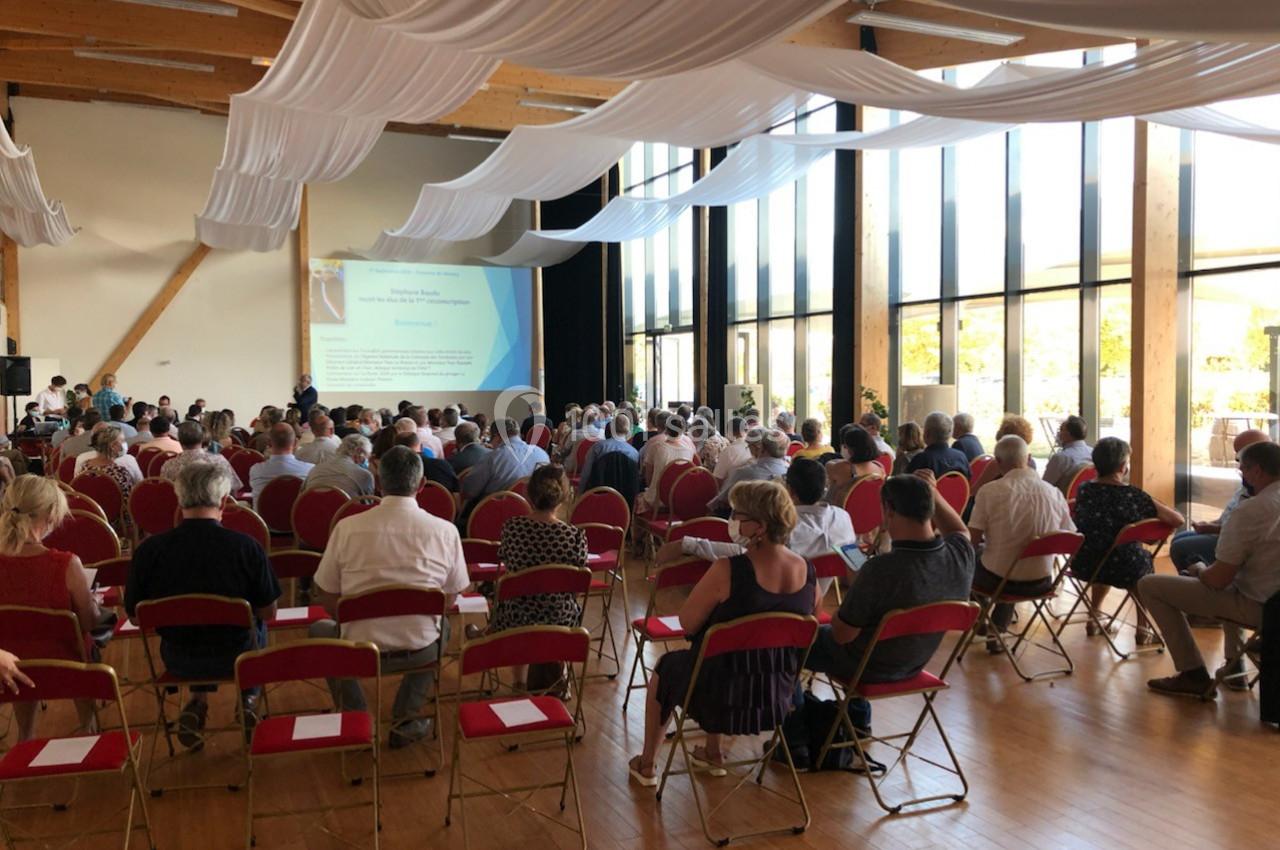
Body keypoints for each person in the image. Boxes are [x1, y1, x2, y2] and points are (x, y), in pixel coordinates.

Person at [628, 480, 818, 784]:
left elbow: (688, 623)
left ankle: (648, 763)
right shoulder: (808, 571)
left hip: (720, 693)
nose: (733, 520)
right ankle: (713, 751)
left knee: (669, 667)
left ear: (759, 525)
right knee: (722, 654)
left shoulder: (729, 569)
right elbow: (807, 622)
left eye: (738, 514)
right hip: (776, 692)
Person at [800, 471, 975, 746]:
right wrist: (933, 492)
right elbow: (960, 531)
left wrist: (824, 609)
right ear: (930, 507)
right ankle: (855, 719)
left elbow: (842, 634)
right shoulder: (961, 555)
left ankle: (796, 727)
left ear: (889, 510)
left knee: (787, 640)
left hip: (866, 665)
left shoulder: (881, 570)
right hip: (914, 661)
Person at [310, 446, 468, 747]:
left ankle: (355, 715)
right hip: (420, 648)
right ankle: (405, 717)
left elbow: (327, 594)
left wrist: (354, 618)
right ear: (421, 486)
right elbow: (448, 600)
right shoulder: (446, 531)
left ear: (378, 483)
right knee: (442, 626)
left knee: (320, 631)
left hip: (358, 650)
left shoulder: (347, 528)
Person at [126, 463, 279, 747]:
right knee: (253, 623)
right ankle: (248, 697)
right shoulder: (246, 547)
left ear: (180, 500)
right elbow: (268, 611)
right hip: (239, 657)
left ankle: (197, 701)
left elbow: (136, 617)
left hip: (179, 659)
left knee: (195, 627)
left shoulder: (149, 551)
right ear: (223, 501)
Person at [1141, 441, 1280, 698]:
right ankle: (1233, 663)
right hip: (1270, 596)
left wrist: (1199, 569)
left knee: (1150, 585)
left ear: (1257, 471)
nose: (1242, 476)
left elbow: (1216, 581)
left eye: (1244, 469)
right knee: (1236, 581)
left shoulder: (1251, 510)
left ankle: (1192, 673)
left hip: (1263, 608)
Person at [0, 476, 101, 739]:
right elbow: (89, 623)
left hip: (13, 667)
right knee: (85, 637)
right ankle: (88, 726)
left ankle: (25, 735)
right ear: (52, 514)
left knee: (21, 640)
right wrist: (93, 605)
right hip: (67, 665)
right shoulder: (66, 564)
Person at [661, 458, 855, 593]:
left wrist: (686, 544)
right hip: (812, 610)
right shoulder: (844, 518)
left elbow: (743, 555)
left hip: (776, 601)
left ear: (790, 491)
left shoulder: (786, 527)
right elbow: (857, 563)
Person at [480, 465, 588, 687]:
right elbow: (576, 583)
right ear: (564, 496)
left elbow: (508, 564)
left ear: (528, 494)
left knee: (513, 594)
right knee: (565, 601)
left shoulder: (513, 528)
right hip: (561, 615)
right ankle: (560, 674)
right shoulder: (574, 536)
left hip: (517, 615)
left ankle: (519, 681)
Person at [1070, 437, 1183, 644]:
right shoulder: (1132, 495)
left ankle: (1094, 618)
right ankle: (1143, 628)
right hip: (1124, 566)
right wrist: (1150, 501)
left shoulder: (1084, 489)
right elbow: (1177, 519)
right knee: (1140, 561)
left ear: (1096, 465)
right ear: (1123, 467)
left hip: (1084, 562)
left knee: (1104, 550)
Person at [968, 436, 1075, 650]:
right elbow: (1070, 536)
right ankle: (997, 631)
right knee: (1017, 554)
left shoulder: (990, 492)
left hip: (999, 581)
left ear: (997, 462)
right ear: (1029, 458)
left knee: (970, 559)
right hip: (1043, 580)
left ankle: (981, 616)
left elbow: (971, 542)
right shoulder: (1054, 493)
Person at [1169, 429, 1270, 575]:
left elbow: (1245, 530)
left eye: (1240, 457)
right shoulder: (1251, 480)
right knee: (1179, 539)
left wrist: (1212, 528)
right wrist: (1214, 524)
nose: (1239, 465)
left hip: (1235, 542)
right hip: (1226, 531)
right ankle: (1193, 579)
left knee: (1181, 547)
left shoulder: (1261, 488)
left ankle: (1199, 582)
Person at [461, 418, 550, 504]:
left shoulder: (492, 458)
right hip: (532, 512)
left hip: (495, 513)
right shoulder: (542, 454)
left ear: (497, 436)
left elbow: (469, 492)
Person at [708, 428, 790, 514]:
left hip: (748, 522)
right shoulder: (790, 473)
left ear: (762, 447)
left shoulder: (744, 473)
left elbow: (721, 500)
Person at [635, 414, 696, 513]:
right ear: (683, 430)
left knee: (636, 499)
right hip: (680, 499)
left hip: (657, 499)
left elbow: (648, 478)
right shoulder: (689, 449)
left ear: (666, 429)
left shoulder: (656, 447)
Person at [160, 421, 243, 490]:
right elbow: (233, 487)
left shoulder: (169, 465)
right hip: (213, 507)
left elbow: (164, 491)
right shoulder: (218, 460)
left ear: (179, 440)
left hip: (180, 508)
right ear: (202, 438)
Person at [249, 423, 314, 509]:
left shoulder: (256, 470)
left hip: (263, 521)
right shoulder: (310, 469)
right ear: (295, 443)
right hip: (296, 520)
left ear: (269, 443)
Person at [75, 426, 144, 501]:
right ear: (113, 446)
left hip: (89, 510)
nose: (125, 444)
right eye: (123, 441)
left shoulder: (84, 467)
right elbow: (130, 499)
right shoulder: (119, 472)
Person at [578, 412, 639, 494]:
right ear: (628, 430)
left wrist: (580, 494)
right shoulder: (634, 453)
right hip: (625, 500)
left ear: (611, 428)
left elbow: (586, 473)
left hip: (598, 495)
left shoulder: (598, 447)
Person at [824, 426, 884, 509]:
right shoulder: (880, 468)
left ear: (851, 449)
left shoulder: (844, 468)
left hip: (844, 515)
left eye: (845, 446)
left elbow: (828, 467)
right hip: (872, 514)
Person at [303, 433, 375, 497]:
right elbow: (369, 506)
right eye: (367, 457)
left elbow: (302, 496)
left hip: (311, 511)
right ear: (360, 454)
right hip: (348, 512)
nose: (367, 462)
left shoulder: (315, 469)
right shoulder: (364, 476)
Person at [906, 412, 971, 478]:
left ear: (927, 433)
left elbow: (905, 485)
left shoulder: (921, 460)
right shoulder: (961, 457)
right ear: (950, 434)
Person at [1042, 415, 1092, 491]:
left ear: (1068, 434)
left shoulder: (1060, 458)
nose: (1058, 433)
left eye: (1061, 430)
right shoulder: (1094, 453)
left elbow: (1045, 486)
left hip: (1062, 500)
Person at [712, 417, 751, 483]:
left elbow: (717, 478)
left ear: (731, 432)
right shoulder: (755, 448)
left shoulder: (728, 451)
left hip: (733, 489)